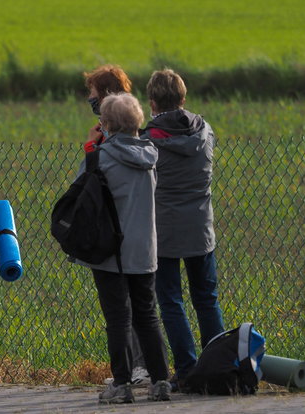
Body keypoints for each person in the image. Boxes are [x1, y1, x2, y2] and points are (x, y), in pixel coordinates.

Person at [70, 93, 171, 403]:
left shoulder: (101, 157)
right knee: (147, 316)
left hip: (111, 250)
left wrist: (91, 147)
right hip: (145, 249)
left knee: (118, 318)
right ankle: (161, 381)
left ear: (106, 125)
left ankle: (122, 384)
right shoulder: (150, 155)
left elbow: (80, 193)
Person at [140, 69, 225, 391]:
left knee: (171, 301)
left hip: (163, 232)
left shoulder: (148, 140)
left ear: (152, 102)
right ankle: (217, 370)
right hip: (202, 228)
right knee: (206, 299)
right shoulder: (205, 131)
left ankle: (187, 370)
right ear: (183, 98)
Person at [83, 64, 150, 387]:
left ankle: (136, 370)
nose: (89, 100)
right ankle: (150, 370)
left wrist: (90, 150)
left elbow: (89, 184)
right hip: (142, 237)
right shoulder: (140, 141)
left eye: (93, 94)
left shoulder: (111, 144)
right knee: (141, 309)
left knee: (125, 311)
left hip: (118, 237)